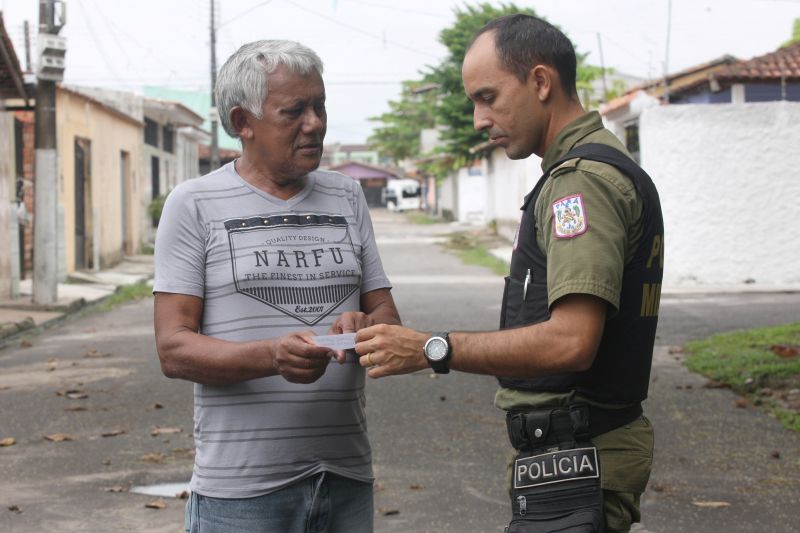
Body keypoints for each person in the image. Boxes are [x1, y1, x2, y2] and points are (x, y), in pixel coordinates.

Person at [354, 14, 663, 533]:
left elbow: (572, 342)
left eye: (488, 97)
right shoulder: (593, 169)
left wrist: (432, 347)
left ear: (541, 82)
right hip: (572, 452)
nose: (479, 118)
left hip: (582, 456)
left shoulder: (579, 186)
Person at [153, 39, 400, 533]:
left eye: (320, 105)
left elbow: (390, 321)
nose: (315, 123)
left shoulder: (347, 196)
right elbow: (174, 349)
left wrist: (363, 328)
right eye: (295, 111)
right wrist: (272, 356)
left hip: (345, 477)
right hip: (241, 493)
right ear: (243, 121)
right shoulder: (195, 204)